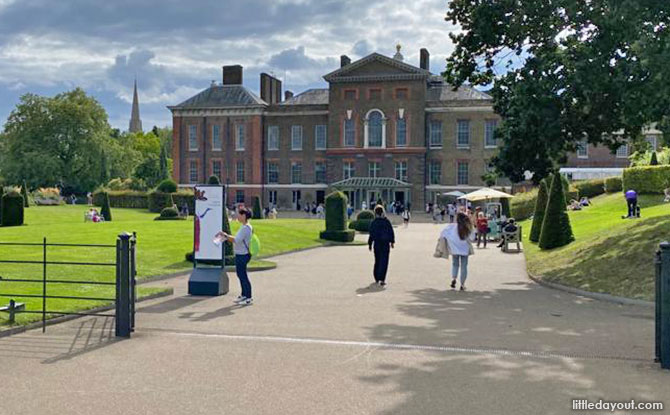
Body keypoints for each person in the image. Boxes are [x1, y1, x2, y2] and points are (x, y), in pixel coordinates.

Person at [217, 207, 254, 306]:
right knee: (241, 275)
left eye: (239, 214)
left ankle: (248, 297)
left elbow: (236, 240)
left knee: (243, 275)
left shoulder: (245, 228)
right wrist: (227, 236)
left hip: (242, 255)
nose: (237, 216)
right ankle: (244, 295)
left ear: (244, 216)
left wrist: (225, 236)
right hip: (241, 254)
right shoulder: (245, 227)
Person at [440, 212, 475, 291]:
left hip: (454, 249)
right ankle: (462, 284)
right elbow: (472, 238)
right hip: (464, 249)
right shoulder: (468, 227)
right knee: (464, 266)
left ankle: (454, 278)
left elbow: (443, 234)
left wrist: (448, 241)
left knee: (455, 264)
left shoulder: (451, 226)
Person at [368, 205, 395, 287]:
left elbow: (371, 234)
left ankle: (376, 277)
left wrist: (370, 244)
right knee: (384, 261)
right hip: (385, 244)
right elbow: (391, 232)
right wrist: (392, 242)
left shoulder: (374, 222)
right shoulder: (386, 222)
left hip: (377, 244)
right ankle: (382, 278)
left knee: (377, 260)